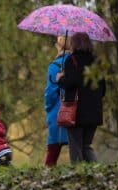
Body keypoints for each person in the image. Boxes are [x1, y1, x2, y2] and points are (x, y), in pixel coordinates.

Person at [56, 32, 106, 164]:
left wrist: (60, 79)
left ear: (75, 44)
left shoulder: (71, 60)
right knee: (86, 146)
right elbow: (103, 89)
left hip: (76, 112)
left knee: (76, 147)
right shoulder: (97, 61)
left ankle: (77, 176)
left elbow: (70, 83)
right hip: (94, 112)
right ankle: (97, 172)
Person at [44, 36, 70, 167]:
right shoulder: (76, 62)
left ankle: (47, 177)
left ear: (58, 45)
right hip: (75, 108)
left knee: (53, 148)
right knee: (77, 147)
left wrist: (47, 107)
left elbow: (50, 92)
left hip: (58, 110)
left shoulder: (55, 66)